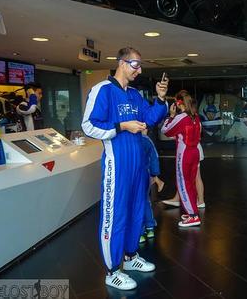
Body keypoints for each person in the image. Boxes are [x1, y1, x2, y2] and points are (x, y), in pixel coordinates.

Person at [81, 47, 168, 290]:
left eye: (140, 66)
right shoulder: (103, 91)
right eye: (134, 64)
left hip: (138, 165)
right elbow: (88, 126)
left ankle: (130, 258)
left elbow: (150, 118)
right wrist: (122, 126)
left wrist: (160, 99)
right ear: (120, 62)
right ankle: (112, 271)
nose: (138, 70)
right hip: (117, 165)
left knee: (136, 212)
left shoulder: (135, 95)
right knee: (115, 216)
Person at [161, 91, 202, 227]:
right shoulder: (195, 117)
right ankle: (192, 211)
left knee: (183, 184)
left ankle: (193, 216)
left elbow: (165, 130)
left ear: (179, 103)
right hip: (195, 151)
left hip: (184, 154)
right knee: (190, 182)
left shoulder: (182, 117)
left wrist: (171, 116)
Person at [139, 128, 164, 243]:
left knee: (134, 204)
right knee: (145, 201)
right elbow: (154, 158)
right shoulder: (147, 141)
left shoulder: (130, 141)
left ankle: (139, 233)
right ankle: (150, 228)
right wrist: (154, 173)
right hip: (145, 175)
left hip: (132, 177)